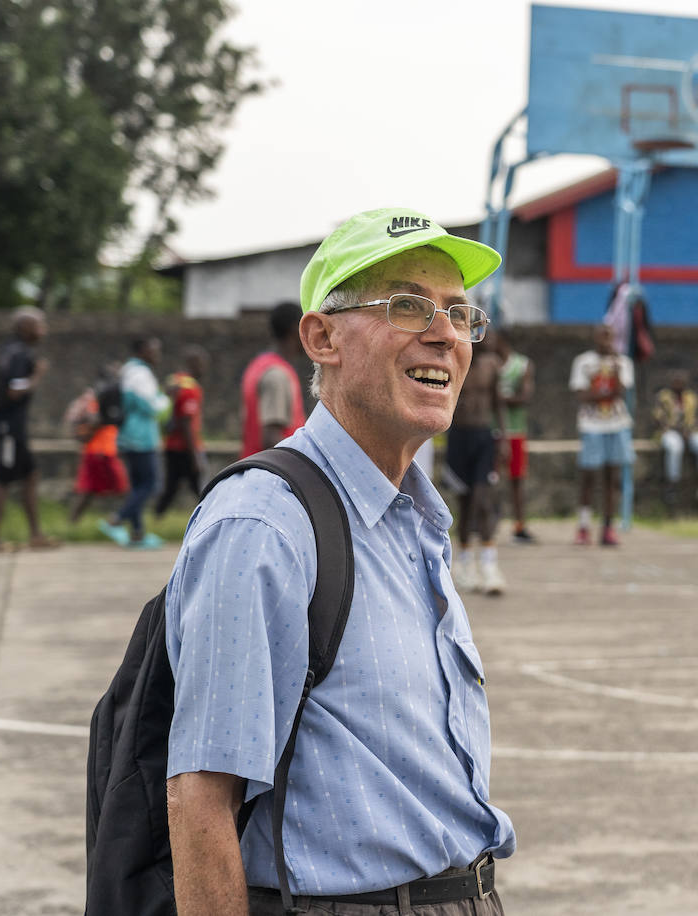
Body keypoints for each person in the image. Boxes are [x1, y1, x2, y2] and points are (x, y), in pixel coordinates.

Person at [163, 207, 513, 915]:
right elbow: (201, 800)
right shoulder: (264, 524)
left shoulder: (412, 518)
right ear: (322, 337)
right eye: (408, 305)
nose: (444, 333)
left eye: (458, 313)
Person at [0, 306, 59, 551]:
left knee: (30, 475)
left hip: (16, 428)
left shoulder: (10, 350)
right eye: (39, 324)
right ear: (25, 328)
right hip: (9, 429)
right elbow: (14, 392)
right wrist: (37, 375)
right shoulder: (19, 355)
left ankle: (35, 535)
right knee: (2, 479)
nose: (43, 329)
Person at [445, 338, 508, 595]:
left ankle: (489, 565)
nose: (489, 339)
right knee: (464, 503)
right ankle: (464, 564)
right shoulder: (455, 360)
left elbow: (498, 403)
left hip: (483, 436)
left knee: (483, 502)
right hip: (458, 436)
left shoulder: (492, 365)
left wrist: (502, 438)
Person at [99, 336, 169, 549]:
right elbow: (151, 406)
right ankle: (117, 518)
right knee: (150, 484)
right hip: (141, 436)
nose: (157, 354)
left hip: (128, 433)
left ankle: (137, 533)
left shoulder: (128, 371)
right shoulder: (141, 373)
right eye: (153, 349)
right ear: (142, 351)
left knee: (138, 485)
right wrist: (166, 398)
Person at [569, 323, 634, 546]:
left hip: (617, 425)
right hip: (591, 426)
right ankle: (584, 526)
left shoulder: (623, 362)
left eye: (610, 337)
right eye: (602, 336)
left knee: (612, 479)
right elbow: (581, 394)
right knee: (588, 477)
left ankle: (608, 528)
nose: (606, 341)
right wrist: (602, 394)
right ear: (595, 338)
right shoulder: (583, 362)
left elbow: (621, 392)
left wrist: (614, 372)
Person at [240, 301, 307, 459]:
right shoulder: (277, 374)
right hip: (277, 473)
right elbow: (271, 438)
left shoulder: (257, 365)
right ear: (294, 329)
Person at [66, 366, 129, 524]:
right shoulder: (101, 396)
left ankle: (72, 523)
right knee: (124, 489)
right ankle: (120, 522)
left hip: (92, 451)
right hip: (103, 450)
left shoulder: (93, 396)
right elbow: (95, 420)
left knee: (88, 490)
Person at [154, 346, 209, 517]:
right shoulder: (190, 388)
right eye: (202, 364)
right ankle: (210, 519)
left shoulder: (173, 381)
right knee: (204, 490)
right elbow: (186, 423)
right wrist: (195, 456)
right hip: (187, 447)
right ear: (194, 363)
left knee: (171, 487)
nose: (204, 369)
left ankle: (156, 517)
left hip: (170, 444)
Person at [493, 330, 536, 543]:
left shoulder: (522, 365)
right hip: (491, 432)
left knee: (517, 480)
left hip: (515, 431)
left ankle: (519, 525)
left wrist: (499, 399)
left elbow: (525, 396)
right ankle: (488, 524)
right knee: (490, 480)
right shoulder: (487, 364)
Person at [653, 369, 698, 510]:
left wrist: (690, 430)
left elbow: (697, 417)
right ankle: (672, 486)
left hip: (690, 432)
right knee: (675, 447)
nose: (679, 384)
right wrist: (676, 429)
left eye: (681, 382)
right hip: (669, 432)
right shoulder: (663, 397)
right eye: (676, 382)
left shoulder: (691, 397)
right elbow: (658, 418)